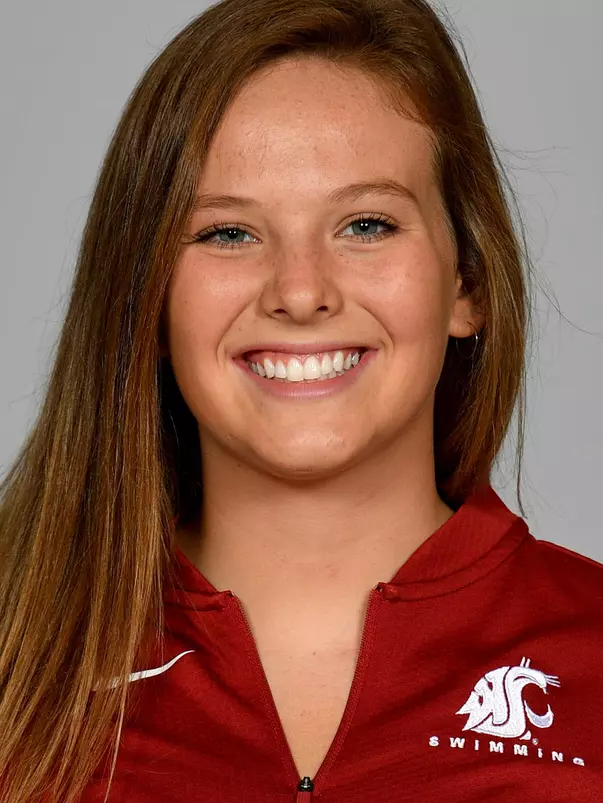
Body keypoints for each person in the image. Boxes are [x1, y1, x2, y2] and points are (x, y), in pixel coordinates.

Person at [1, 0, 601, 800]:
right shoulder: (18, 661)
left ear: (468, 283)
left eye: (365, 224)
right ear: (146, 297)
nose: (300, 290)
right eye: (227, 233)